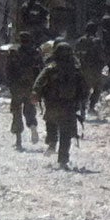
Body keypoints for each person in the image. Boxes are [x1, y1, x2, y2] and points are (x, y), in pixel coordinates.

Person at [30, 41, 88, 169]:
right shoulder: (76, 70)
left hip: (52, 104)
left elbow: (39, 83)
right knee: (65, 133)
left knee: (51, 123)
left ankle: (52, 142)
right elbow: (84, 89)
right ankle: (62, 160)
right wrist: (81, 103)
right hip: (69, 106)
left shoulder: (51, 68)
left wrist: (35, 94)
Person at [3, 40, 40, 150]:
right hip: (30, 87)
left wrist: (10, 84)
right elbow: (40, 71)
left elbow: (7, 70)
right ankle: (33, 127)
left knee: (16, 112)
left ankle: (18, 141)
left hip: (17, 87)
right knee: (29, 109)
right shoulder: (35, 53)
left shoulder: (13, 53)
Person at [76, 23, 109, 115]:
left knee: (85, 89)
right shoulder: (97, 41)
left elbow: (76, 54)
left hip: (83, 69)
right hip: (95, 69)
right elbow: (101, 55)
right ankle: (91, 107)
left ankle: (82, 106)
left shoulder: (80, 41)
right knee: (97, 88)